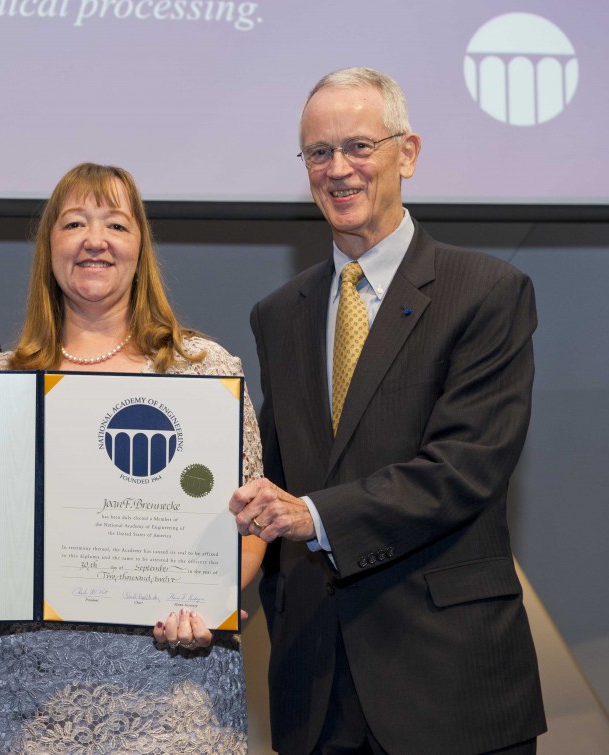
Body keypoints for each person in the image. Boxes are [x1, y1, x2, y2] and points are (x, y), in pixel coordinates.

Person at [229, 67, 546, 754]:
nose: (338, 169)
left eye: (358, 147)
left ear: (408, 152)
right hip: (316, 688)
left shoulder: (487, 292)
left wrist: (311, 515)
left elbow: (464, 468)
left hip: (449, 684)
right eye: (319, 153)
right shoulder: (279, 315)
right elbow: (270, 475)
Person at [0, 162, 266, 752]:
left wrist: (214, 601)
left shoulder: (203, 368)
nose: (94, 240)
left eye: (115, 225)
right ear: (50, 247)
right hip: (35, 695)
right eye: (74, 223)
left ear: (139, 247)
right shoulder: (2, 376)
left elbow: (252, 517)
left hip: (178, 691)